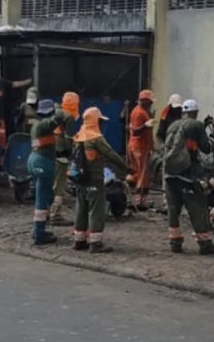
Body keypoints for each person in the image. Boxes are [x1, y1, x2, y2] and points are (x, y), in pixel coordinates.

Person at [163, 99, 214, 255]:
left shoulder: (173, 125)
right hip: (187, 174)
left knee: (173, 208)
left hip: (170, 174)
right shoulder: (196, 125)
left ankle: (175, 242)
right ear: (196, 112)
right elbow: (206, 148)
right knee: (198, 207)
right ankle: (205, 243)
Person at [72, 107, 131, 253]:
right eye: (100, 120)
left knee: (81, 208)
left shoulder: (79, 136)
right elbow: (111, 154)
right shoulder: (96, 138)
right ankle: (95, 243)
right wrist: (127, 168)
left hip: (80, 179)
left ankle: (79, 240)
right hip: (95, 178)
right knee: (96, 210)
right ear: (95, 121)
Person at [28, 99, 71, 246]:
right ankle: (39, 234)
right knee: (42, 198)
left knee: (46, 196)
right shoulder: (44, 125)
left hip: (35, 160)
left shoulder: (37, 125)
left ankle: (40, 229)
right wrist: (62, 107)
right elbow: (59, 117)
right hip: (42, 162)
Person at [49, 92, 80, 227]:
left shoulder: (56, 113)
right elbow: (69, 138)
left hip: (50, 152)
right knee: (59, 187)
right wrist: (72, 154)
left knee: (51, 184)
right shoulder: (69, 117)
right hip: (61, 156)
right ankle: (55, 215)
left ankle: (47, 212)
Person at [127, 89, 157, 210]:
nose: (151, 104)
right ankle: (140, 201)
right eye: (149, 101)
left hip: (140, 145)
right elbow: (135, 131)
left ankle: (133, 197)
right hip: (139, 146)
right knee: (143, 173)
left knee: (137, 172)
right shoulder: (138, 112)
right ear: (144, 100)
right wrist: (146, 125)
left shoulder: (142, 111)